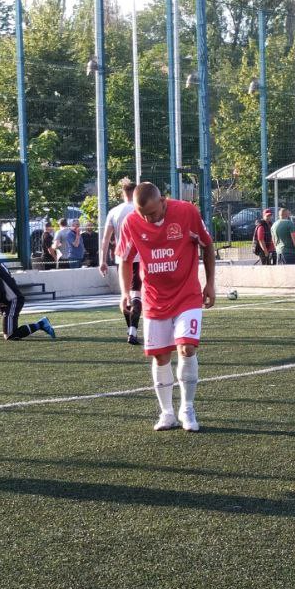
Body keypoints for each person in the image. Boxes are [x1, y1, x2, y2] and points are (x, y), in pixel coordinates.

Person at [117, 182, 215, 433]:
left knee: (187, 348)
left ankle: (187, 408)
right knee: (160, 356)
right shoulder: (131, 222)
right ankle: (167, 413)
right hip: (154, 298)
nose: (148, 219)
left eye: (152, 213)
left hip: (187, 295)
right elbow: (125, 260)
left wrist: (210, 284)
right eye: (143, 214)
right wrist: (125, 292)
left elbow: (207, 246)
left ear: (163, 201)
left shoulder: (186, 212)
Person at [100, 177, 141, 345]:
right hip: (140, 257)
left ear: (123, 194)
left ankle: (130, 329)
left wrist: (102, 261)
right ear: (136, 192)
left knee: (126, 295)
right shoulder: (140, 209)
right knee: (137, 294)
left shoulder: (114, 212)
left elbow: (105, 239)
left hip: (121, 259)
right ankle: (133, 331)